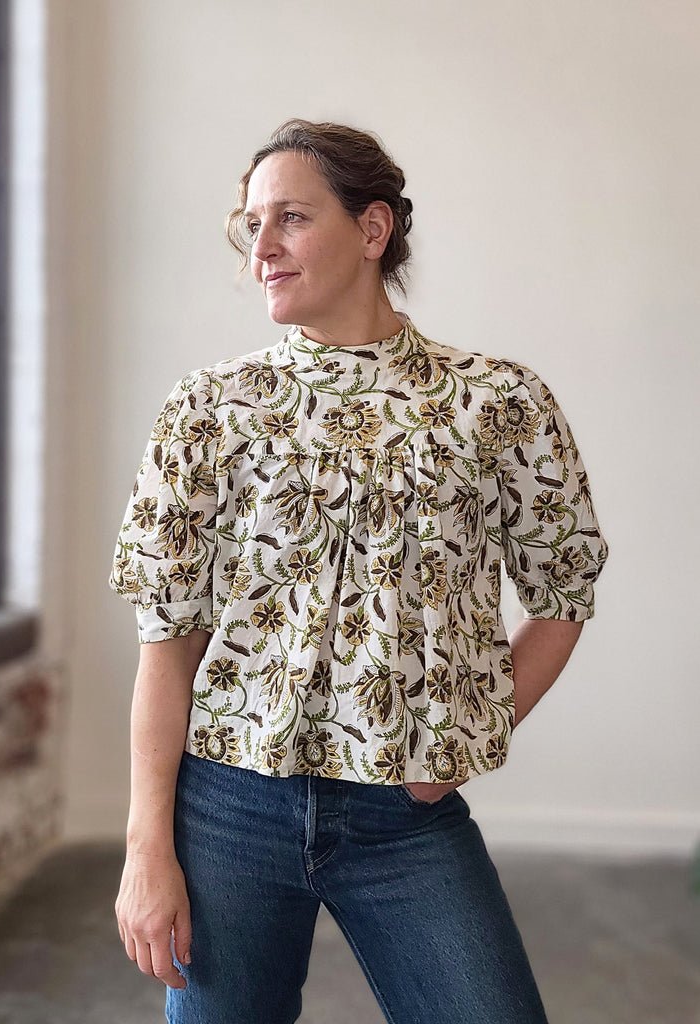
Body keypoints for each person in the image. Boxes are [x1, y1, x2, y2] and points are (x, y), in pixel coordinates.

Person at [107, 118, 609, 1024]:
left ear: (372, 229)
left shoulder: (498, 403)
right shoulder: (209, 409)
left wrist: (467, 737)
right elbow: (167, 640)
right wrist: (148, 849)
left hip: (404, 818)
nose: (261, 247)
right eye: (251, 224)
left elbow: (564, 590)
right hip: (227, 808)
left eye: (291, 218)